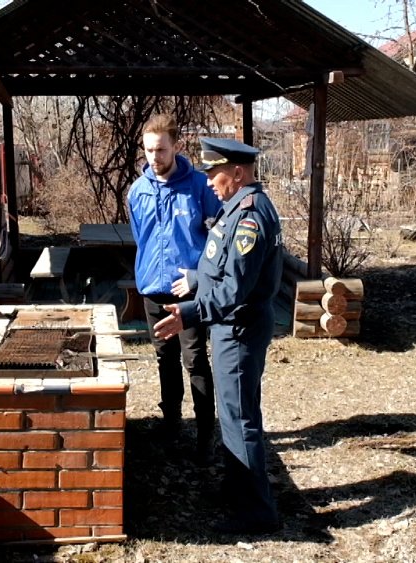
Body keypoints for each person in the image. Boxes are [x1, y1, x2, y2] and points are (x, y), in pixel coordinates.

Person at [153, 137, 283, 534]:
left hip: (239, 329)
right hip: (231, 326)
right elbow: (226, 266)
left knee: (240, 419)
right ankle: (237, 489)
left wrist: (190, 313)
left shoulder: (250, 216)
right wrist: (197, 278)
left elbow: (235, 290)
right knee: (233, 415)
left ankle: (256, 514)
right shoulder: (236, 207)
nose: (209, 181)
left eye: (215, 173)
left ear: (238, 173)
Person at [127, 115, 222, 464]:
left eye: (161, 150)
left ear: (176, 147)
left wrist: (199, 276)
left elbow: (219, 239)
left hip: (190, 292)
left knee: (194, 359)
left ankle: (205, 433)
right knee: (164, 358)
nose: (155, 157)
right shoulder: (137, 191)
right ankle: (171, 424)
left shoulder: (199, 186)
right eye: (149, 150)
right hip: (153, 288)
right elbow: (141, 237)